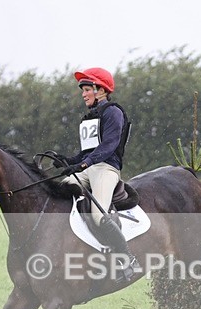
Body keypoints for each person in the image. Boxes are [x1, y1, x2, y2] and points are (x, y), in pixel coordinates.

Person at [53, 67, 138, 281]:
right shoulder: (90, 117)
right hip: (89, 168)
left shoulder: (113, 112)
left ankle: (127, 260)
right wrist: (68, 161)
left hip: (106, 169)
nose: (83, 94)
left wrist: (84, 164)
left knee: (99, 215)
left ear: (100, 90)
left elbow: (109, 145)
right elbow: (86, 152)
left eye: (87, 89)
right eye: (83, 90)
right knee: (59, 191)